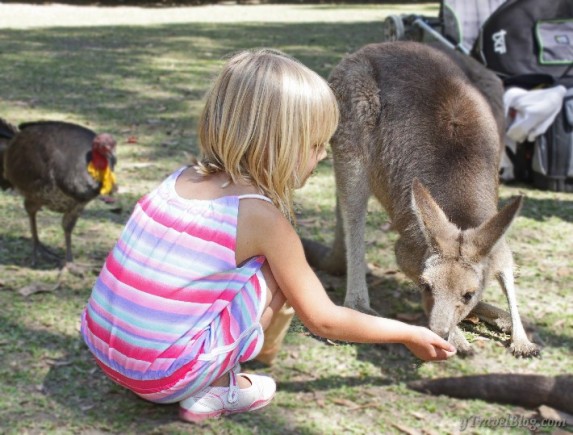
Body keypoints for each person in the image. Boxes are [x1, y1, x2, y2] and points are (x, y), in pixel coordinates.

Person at [80, 48, 456, 424]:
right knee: (276, 275)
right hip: (162, 377)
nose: (323, 156)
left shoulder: (178, 178)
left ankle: (218, 363)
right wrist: (408, 333)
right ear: (279, 145)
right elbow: (323, 319)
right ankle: (218, 388)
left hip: (99, 346)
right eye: (314, 145)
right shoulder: (262, 218)